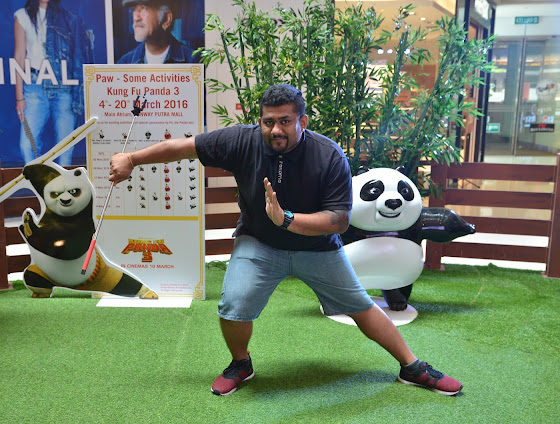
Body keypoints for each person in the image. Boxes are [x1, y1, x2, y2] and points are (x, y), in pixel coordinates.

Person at [108, 84, 463, 397]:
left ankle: (411, 367)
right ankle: (241, 363)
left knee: (360, 304)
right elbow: (183, 147)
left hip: (317, 248)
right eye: (268, 121)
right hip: (259, 243)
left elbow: (338, 221)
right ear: (260, 121)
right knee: (233, 303)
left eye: (285, 121)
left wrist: (287, 219)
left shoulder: (329, 155)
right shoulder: (241, 140)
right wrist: (132, 159)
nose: (276, 129)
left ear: (302, 121)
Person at [14, 0, 94, 166]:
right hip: (35, 85)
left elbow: (78, 55)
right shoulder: (22, 16)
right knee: (27, 145)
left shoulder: (69, 19)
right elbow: (19, 57)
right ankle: (37, 180)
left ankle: (62, 182)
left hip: (63, 85)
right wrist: (19, 97)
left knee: (66, 146)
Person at [117, 0, 199, 64]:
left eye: (143, 8)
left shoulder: (193, 61)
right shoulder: (124, 63)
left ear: (166, 19)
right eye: (134, 9)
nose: (136, 18)